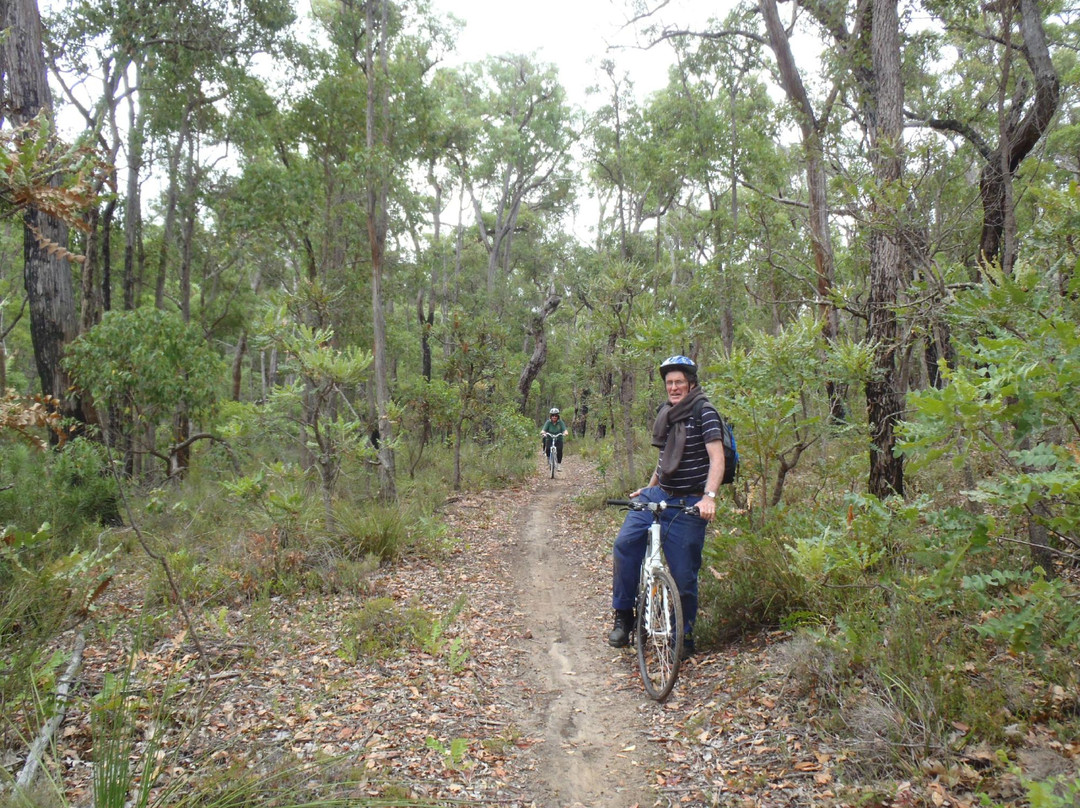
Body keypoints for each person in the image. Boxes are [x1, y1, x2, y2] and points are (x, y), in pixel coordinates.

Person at [608, 355, 725, 658]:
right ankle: (624, 615)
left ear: (691, 383)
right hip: (659, 493)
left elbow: (717, 458)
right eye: (669, 383)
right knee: (624, 544)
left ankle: (682, 635)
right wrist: (649, 487)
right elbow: (664, 462)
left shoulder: (705, 412)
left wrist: (709, 497)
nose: (673, 388)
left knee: (684, 575)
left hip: (689, 500)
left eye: (679, 382)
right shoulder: (666, 413)